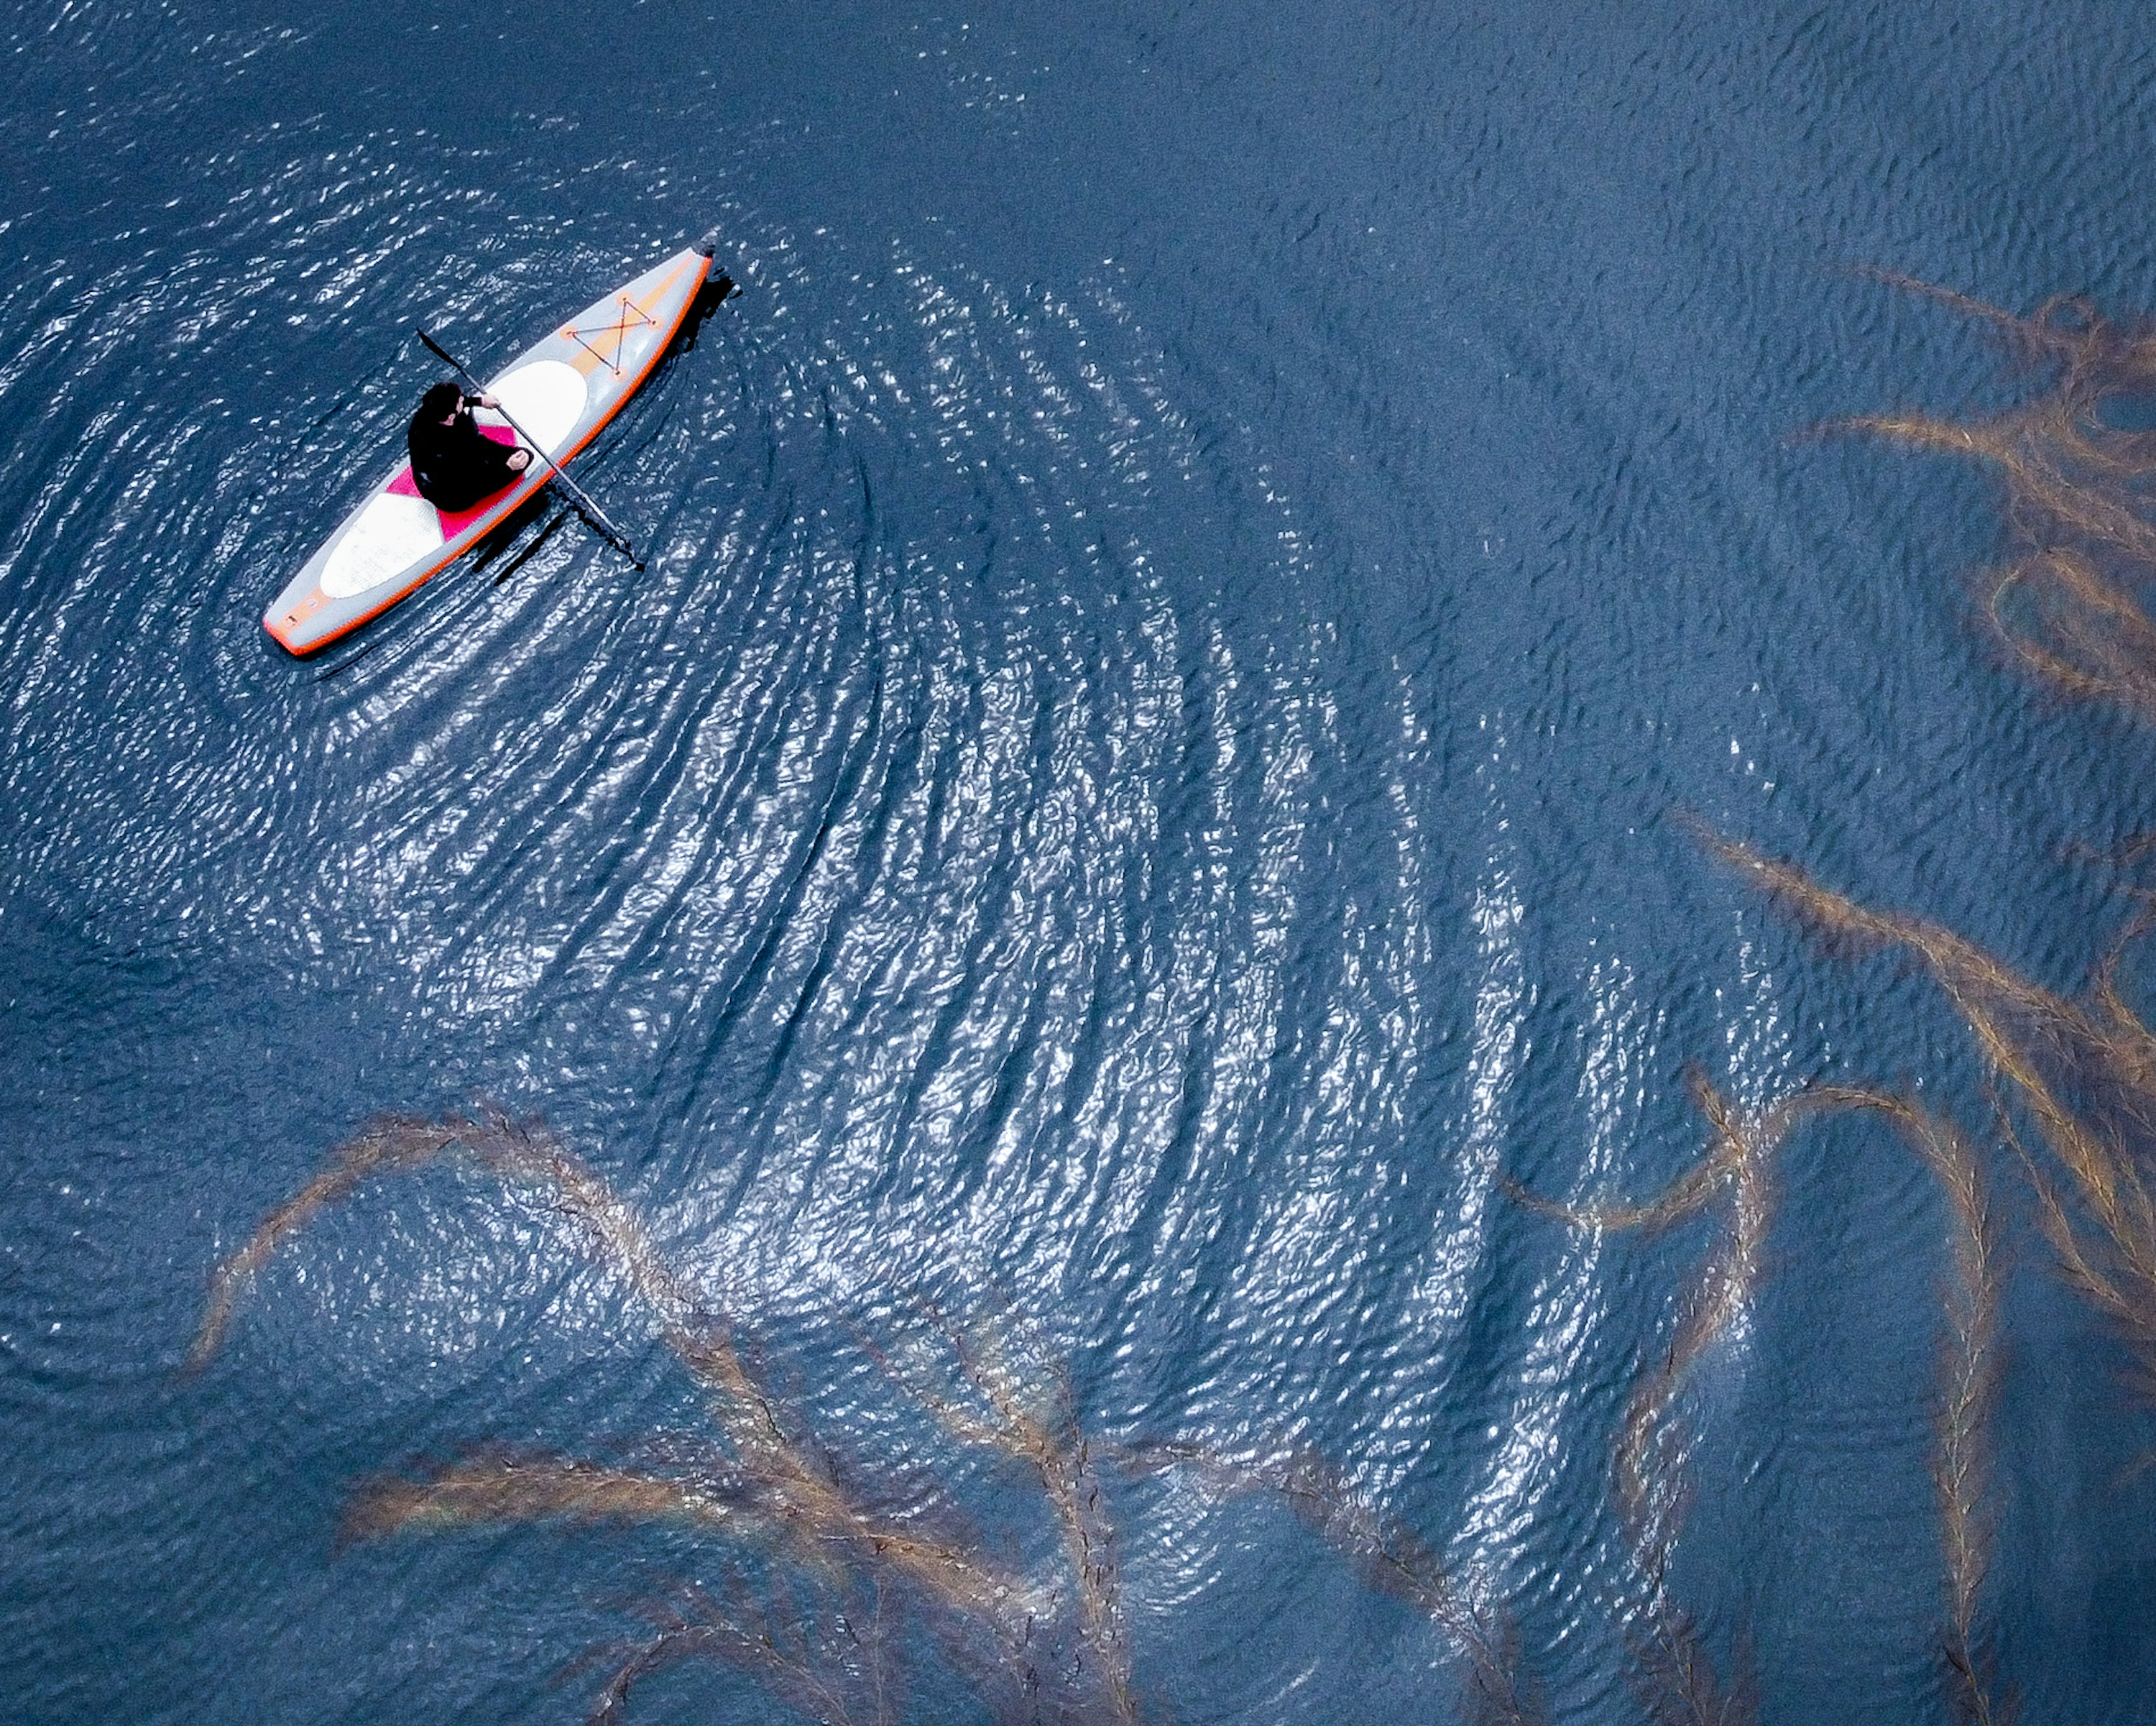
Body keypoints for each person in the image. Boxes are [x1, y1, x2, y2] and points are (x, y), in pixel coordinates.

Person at [405, 381, 533, 512]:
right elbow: (473, 482)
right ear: (450, 418)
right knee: (525, 458)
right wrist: (507, 469)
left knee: (523, 454)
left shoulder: (430, 412)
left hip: (464, 454)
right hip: (454, 493)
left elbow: (454, 404)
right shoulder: (444, 452)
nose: (463, 399)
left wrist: (480, 401)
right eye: (460, 401)